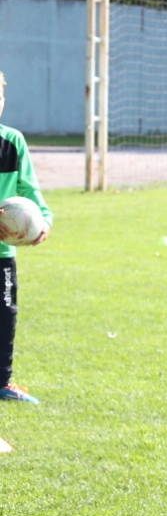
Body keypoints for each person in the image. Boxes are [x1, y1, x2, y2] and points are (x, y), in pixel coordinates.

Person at [0, 71, 52, 404]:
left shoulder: (12, 142)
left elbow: (30, 189)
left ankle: (3, 383)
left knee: (5, 313)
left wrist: (43, 219)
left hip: (2, 252)